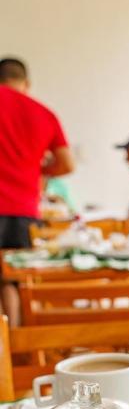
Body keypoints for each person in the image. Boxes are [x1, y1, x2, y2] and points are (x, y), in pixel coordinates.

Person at [0, 57, 74, 324]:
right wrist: (38, 170)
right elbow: (67, 163)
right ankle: (16, 348)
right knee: (14, 280)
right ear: (26, 83)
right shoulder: (43, 113)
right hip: (23, 211)